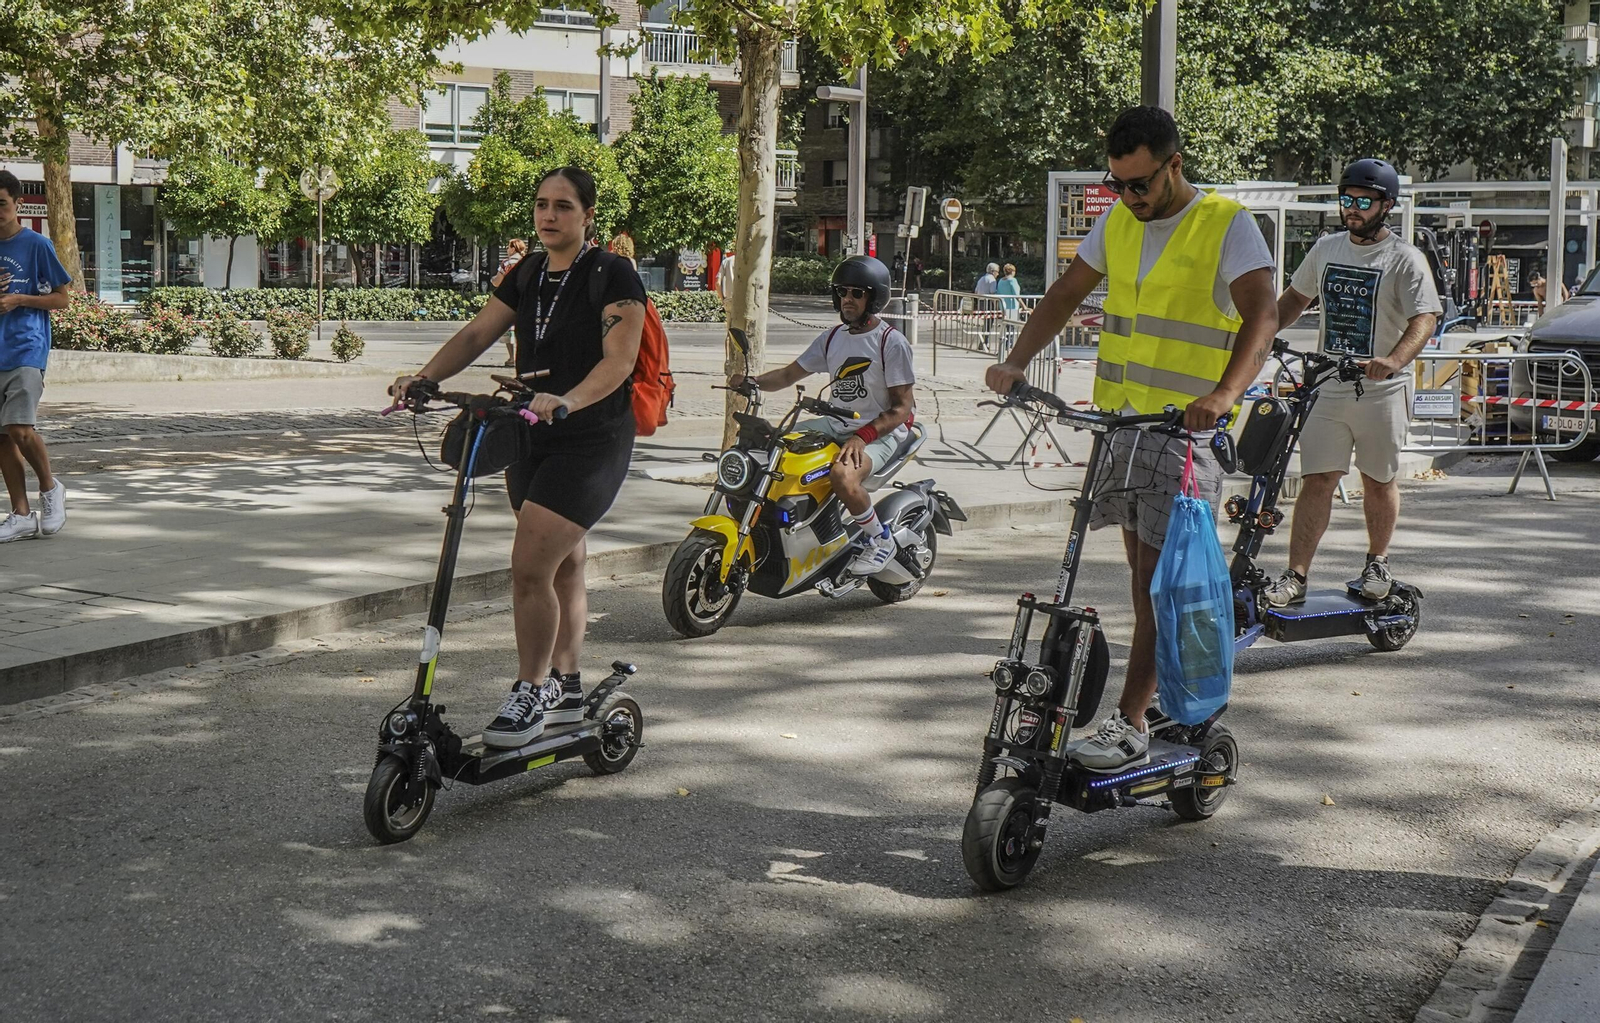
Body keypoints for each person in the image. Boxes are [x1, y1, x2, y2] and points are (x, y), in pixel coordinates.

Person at [984, 105, 1277, 772]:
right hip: (1120, 425)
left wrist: (1224, 396)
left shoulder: (1225, 224)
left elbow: (1261, 314)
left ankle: (1133, 719)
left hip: (1183, 431)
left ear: (1175, 164)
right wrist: (1017, 360)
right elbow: (1063, 295)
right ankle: (1146, 704)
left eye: (1140, 183)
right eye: (1118, 183)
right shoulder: (1117, 220)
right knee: (1141, 582)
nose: (1129, 197)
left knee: (1158, 587)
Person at [389, 166, 645, 748]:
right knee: (563, 563)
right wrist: (424, 377)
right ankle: (568, 685)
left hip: (593, 435)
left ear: (588, 216)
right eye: (541, 205)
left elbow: (619, 360)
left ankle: (530, 690)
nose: (549, 216)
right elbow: (477, 334)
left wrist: (569, 399)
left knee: (530, 565)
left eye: (563, 206)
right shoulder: (527, 272)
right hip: (532, 431)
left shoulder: (612, 273)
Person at [1264, 158, 1442, 608]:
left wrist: (1394, 360)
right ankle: (1295, 575)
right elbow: (1294, 299)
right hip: (1329, 383)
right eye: (1347, 200)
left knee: (1378, 479)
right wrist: (1261, 336)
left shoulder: (1405, 259)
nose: (1353, 209)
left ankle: (1377, 561)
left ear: (1387, 206)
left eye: (1364, 202)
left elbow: (1426, 316)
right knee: (1317, 479)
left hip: (1382, 388)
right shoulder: (1326, 249)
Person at [728, 255, 915, 575]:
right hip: (836, 421)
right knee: (775, 443)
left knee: (843, 475)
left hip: (880, 431)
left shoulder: (890, 342)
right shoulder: (832, 338)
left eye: (857, 293)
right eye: (842, 291)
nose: (847, 299)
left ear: (874, 297)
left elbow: (902, 409)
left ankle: (880, 540)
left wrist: (862, 436)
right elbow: (789, 375)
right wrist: (752, 382)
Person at [0, 169, 73, 544]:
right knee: (1, 438)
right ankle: (21, 515)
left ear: (18, 204)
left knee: (19, 429)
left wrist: (19, 299)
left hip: (26, 347)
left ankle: (50, 489)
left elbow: (62, 299)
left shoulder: (37, 245)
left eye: (1, 204)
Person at [490, 238, 528, 367]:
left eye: (508, 247)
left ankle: (512, 358)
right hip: (527, 300)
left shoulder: (507, 263)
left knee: (509, 329)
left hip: (510, 300)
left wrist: (492, 280)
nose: (507, 249)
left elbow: (497, 282)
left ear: (513, 248)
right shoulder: (528, 262)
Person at [995, 262, 1022, 350]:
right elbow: (1016, 295)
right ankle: (1009, 345)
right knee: (1012, 326)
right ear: (1013, 271)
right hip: (1013, 306)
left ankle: (1005, 344)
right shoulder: (1013, 280)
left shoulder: (1001, 281)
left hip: (1003, 306)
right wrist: (1024, 306)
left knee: (1006, 326)